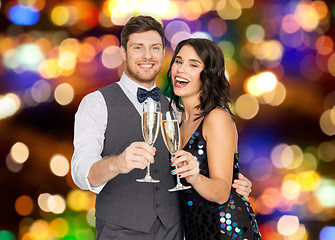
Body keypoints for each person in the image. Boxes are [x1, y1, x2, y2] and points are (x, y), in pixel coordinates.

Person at [71, 15, 252, 240]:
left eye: (155, 48)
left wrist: (233, 183)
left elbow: (209, 163)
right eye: (138, 47)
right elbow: (81, 172)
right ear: (123, 53)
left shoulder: (176, 111)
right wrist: (118, 163)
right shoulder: (96, 103)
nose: (147, 55)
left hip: (177, 233)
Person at [167, 38, 261, 240]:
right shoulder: (178, 120)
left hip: (225, 230)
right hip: (194, 231)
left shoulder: (216, 117)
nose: (181, 69)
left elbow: (221, 192)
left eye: (193, 65)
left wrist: (195, 177)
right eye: (178, 61)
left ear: (208, 74)